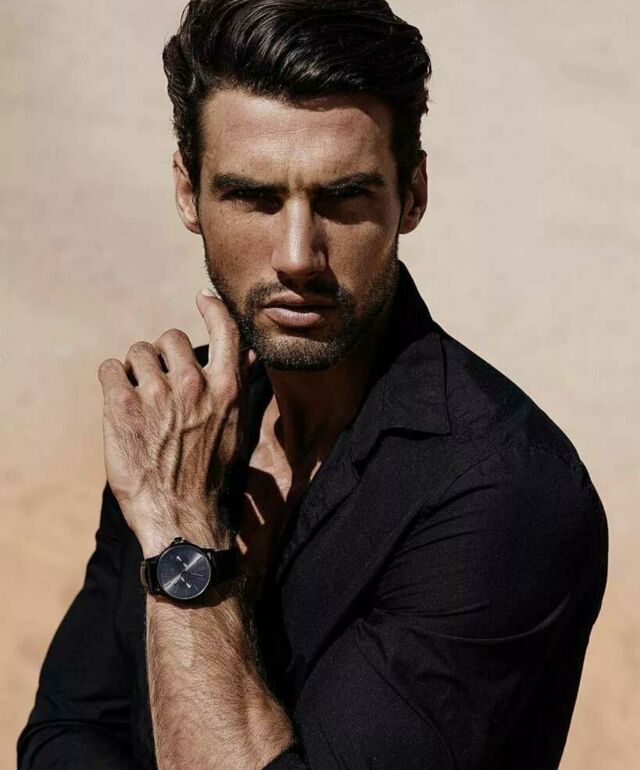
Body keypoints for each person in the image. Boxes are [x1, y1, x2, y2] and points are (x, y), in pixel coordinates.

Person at [17, 0, 608, 768]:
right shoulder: (181, 422)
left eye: (342, 197)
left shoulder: (506, 493)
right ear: (188, 192)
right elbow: (65, 734)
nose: (298, 255)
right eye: (254, 197)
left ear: (412, 195)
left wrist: (184, 535)